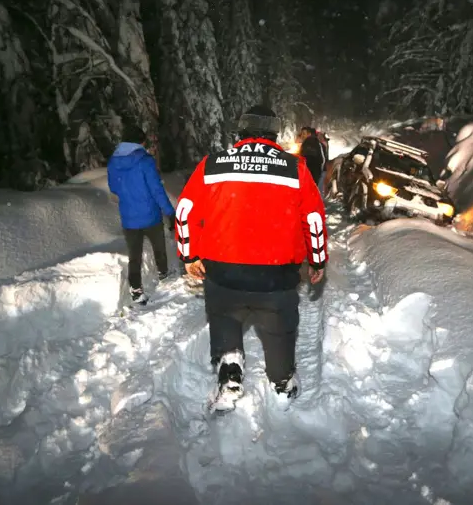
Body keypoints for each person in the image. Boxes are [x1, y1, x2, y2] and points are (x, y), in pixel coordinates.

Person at [175, 105, 329, 412]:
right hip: (276, 276)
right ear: (274, 134)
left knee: (225, 320)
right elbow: (313, 219)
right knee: (278, 329)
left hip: (224, 271)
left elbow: (184, 211)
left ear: (241, 132)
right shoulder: (294, 168)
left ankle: (229, 370)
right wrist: (317, 260)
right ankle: (282, 381)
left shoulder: (213, 164)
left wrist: (189, 255)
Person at [108, 125, 176, 306]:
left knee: (134, 256)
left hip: (129, 218)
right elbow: (156, 190)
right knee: (159, 247)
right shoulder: (145, 161)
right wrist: (170, 212)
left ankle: (136, 290)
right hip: (150, 215)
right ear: (140, 141)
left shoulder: (113, 161)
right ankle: (163, 274)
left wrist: (129, 193)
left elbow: (113, 187)